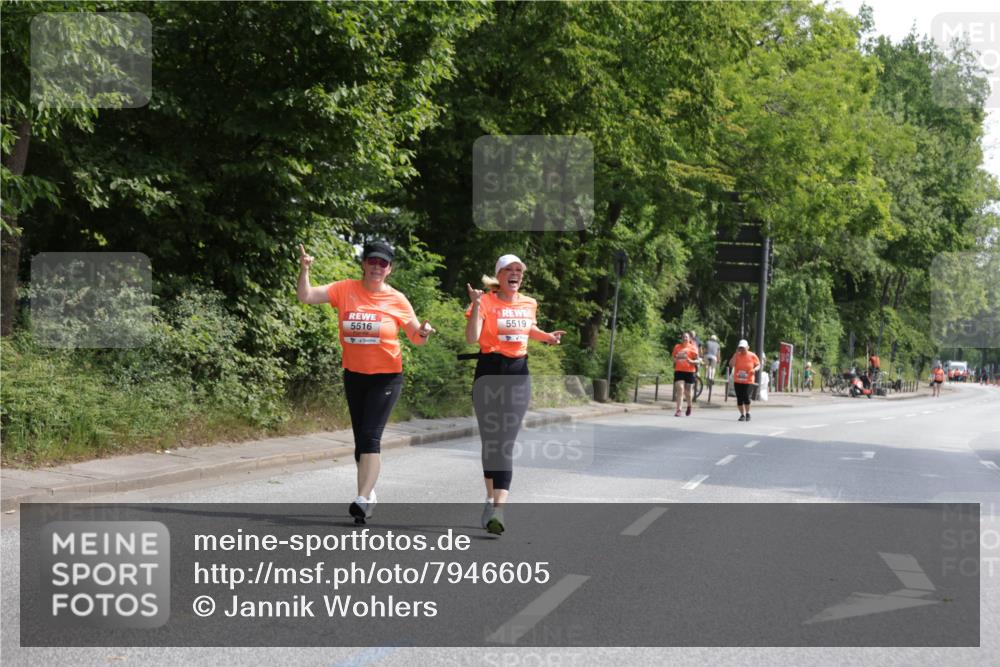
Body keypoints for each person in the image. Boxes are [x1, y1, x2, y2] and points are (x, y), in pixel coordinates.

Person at [297, 241, 434, 523]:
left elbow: (416, 339)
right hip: (355, 374)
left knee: (371, 437)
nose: (376, 267)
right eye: (372, 261)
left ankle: (361, 498)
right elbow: (306, 296)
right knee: (361, 442)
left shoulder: (397, 299)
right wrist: (305, 270)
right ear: (364, 264)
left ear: (389, 269)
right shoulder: (345, 289)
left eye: (382, 263)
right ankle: (369, 494)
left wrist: (424, 331)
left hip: (386, 376)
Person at [465, 254, 564, 535]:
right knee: (491, 442)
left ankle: (499, 509)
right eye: (509, 269)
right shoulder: (485, 301)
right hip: (488, 371)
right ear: (499, 275)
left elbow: (527, 328)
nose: (515, 273)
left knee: (505, 442)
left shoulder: (529, 303)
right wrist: (474, 305)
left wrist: (547, 337)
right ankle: (489, 499)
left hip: (518, 373)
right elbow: (472, 337)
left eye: (519, 270)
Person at [729, 339, 761, 421]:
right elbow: (731, 364)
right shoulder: (737, 355)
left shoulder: (752, 355)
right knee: (739, 398)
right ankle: (742, 415)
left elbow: (758, 365)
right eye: (740, 347)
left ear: (748, 347)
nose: (742, 349)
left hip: (748, 380)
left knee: (746, 397)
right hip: (738, 380)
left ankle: (748, 413)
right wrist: (736, 354)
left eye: (743, 347)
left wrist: (755, 369)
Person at [671, 331, 700, 417]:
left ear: (690, 339)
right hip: (679, 371)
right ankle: (678, 410)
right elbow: (673, 358)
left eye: (686, 337)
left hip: (689, 371)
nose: (685, 338)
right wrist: (675, 360)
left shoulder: (693, 348)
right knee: (680, 389)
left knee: (688, 392)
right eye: (683, 337)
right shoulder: (677, 347)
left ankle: (689, 406)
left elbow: (698, 360)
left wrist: (691, 361)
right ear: (681, 338)